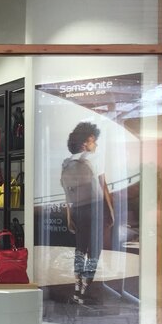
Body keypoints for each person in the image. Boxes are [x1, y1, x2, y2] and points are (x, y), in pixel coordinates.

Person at [61, 121, 114, 305]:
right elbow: (103, 186)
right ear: (85, 142)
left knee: (80, 249)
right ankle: (85, 289)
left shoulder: (67, 162)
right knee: (95, 250)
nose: (96, 144)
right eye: (93, 140)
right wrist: (111, 211)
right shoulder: (95, 157)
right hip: (95, 207)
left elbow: (67, 192)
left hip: (77, 209)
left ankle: (77, 288)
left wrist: (69, 216)